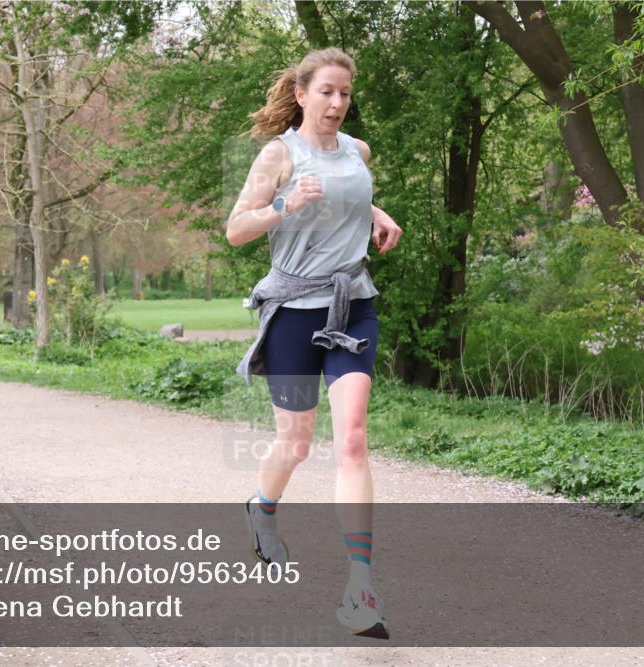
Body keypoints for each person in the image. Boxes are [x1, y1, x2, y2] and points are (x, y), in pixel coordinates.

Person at [227, 48, 402, 639]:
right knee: (296, 445)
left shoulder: (358, 152)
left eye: (345, 94)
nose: (336, 103)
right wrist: (283, 205)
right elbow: (236, 229)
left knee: (352, 439)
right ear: (301, 94)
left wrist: (377, 213)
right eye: (326, 91)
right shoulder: (278, 154)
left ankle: (360, 588)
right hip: (294, 314)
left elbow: (345, 194)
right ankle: (262, 508)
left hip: (352, 306)